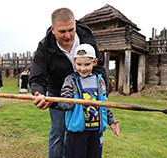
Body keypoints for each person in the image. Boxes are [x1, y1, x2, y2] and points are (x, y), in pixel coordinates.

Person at [29, 8, 119, 158]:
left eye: (71, 30)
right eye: (62, 31)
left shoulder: (86, 36)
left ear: (75, 25)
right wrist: (39, 94)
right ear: (53, 29)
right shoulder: (45, 47)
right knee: (59, 132)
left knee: (82, 134)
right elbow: (37, 76)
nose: (68, 35)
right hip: (58, 95)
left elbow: (99, 64)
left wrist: (104, 94)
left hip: (88, 94)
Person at [51, 43, 120, 158]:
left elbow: (103, 104)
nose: (82, 69)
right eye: (79, 64)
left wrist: (111, 121)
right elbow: (67, 103)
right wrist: (52, 102)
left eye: (87, 64)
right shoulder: (71, 80)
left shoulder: (100, 81)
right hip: (77, 133)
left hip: (96, 132)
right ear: (74, 61)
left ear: (95, 62)